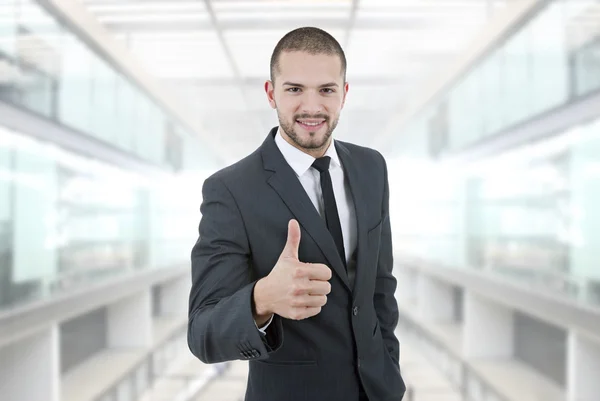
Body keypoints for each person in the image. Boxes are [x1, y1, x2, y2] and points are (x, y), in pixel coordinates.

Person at [188, 26, 406, 401]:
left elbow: (379, 289)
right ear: (271, 94)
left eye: (326, 90)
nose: (311, 107)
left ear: (344, 94)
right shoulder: (231, 190)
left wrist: (390, 372)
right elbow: (202, 332)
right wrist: (261, 300)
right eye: (294, 89)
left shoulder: (372, 168)